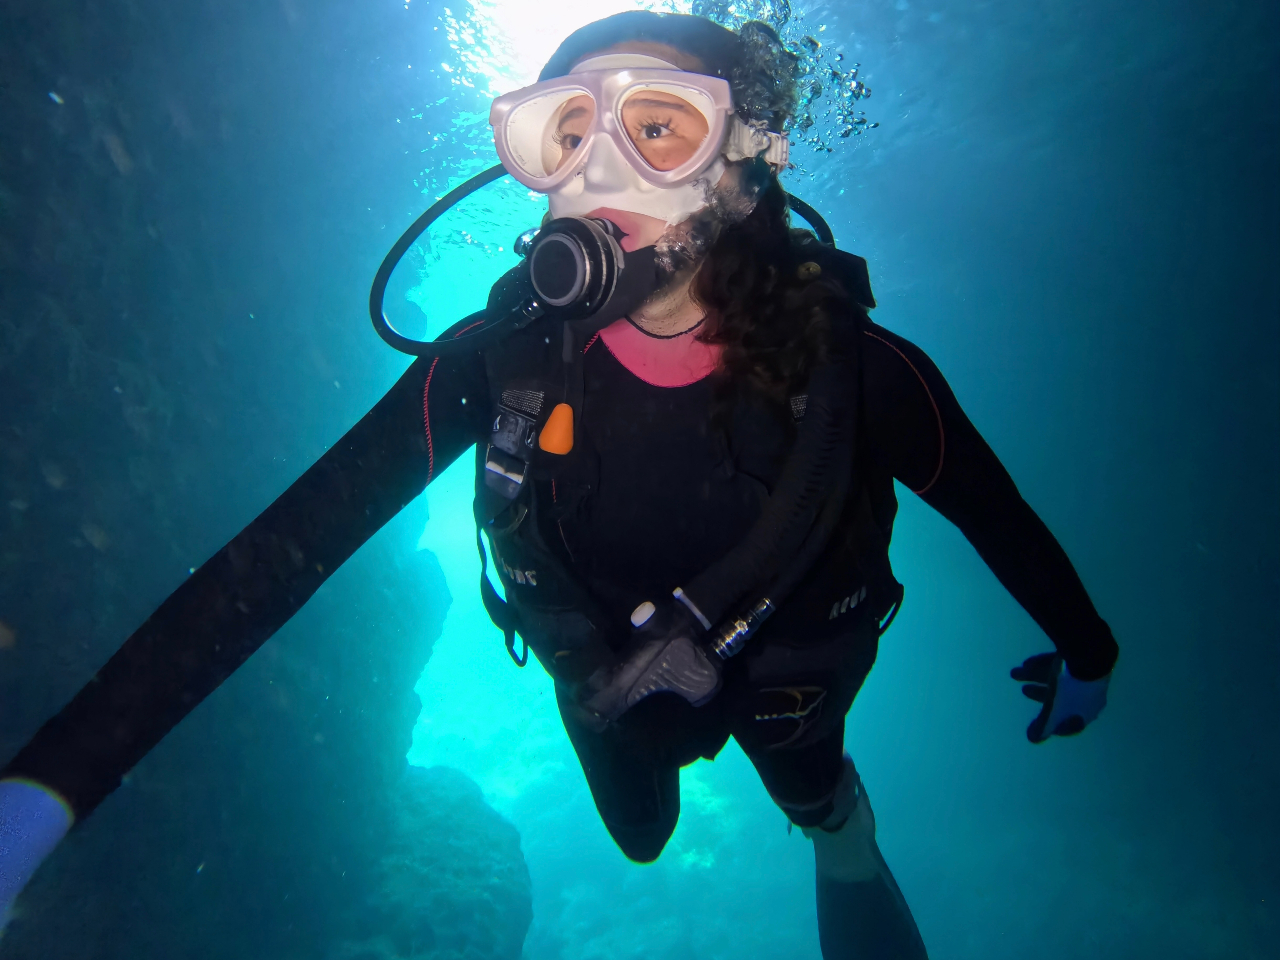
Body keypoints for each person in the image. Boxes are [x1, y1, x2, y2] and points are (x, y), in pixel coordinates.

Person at [0, 12, 1119, 957]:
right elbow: (268, 569)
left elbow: (997, 517)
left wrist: (1086, 654)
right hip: (603, 683)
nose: (597, 169)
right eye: (565, 130)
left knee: (815, 800)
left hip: (789, 682)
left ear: (747, 158)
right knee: (637, 834)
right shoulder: (494, 365)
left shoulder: (859, 377)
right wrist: (47, 786)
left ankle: (840, 837)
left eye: (656, 128)